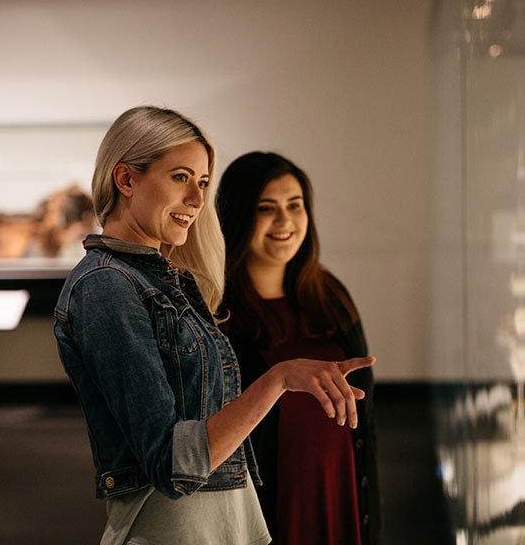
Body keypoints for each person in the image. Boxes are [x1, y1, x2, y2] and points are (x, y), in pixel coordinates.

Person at [52, 106, 374, 545]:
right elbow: (171, 463)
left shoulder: (166, 279)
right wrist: (279, 378)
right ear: (125, 179)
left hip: (221, 522)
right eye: (181, 177)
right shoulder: (106, 286)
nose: (198, 200)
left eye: (202, 182)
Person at [216, 152, 381, 545]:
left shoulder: (329, 293)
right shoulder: (216, 310)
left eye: (295, 205)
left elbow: (367, 419)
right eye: (265, 209)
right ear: (238, 216)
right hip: (273, 499)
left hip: (342, 483)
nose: (284, 221)